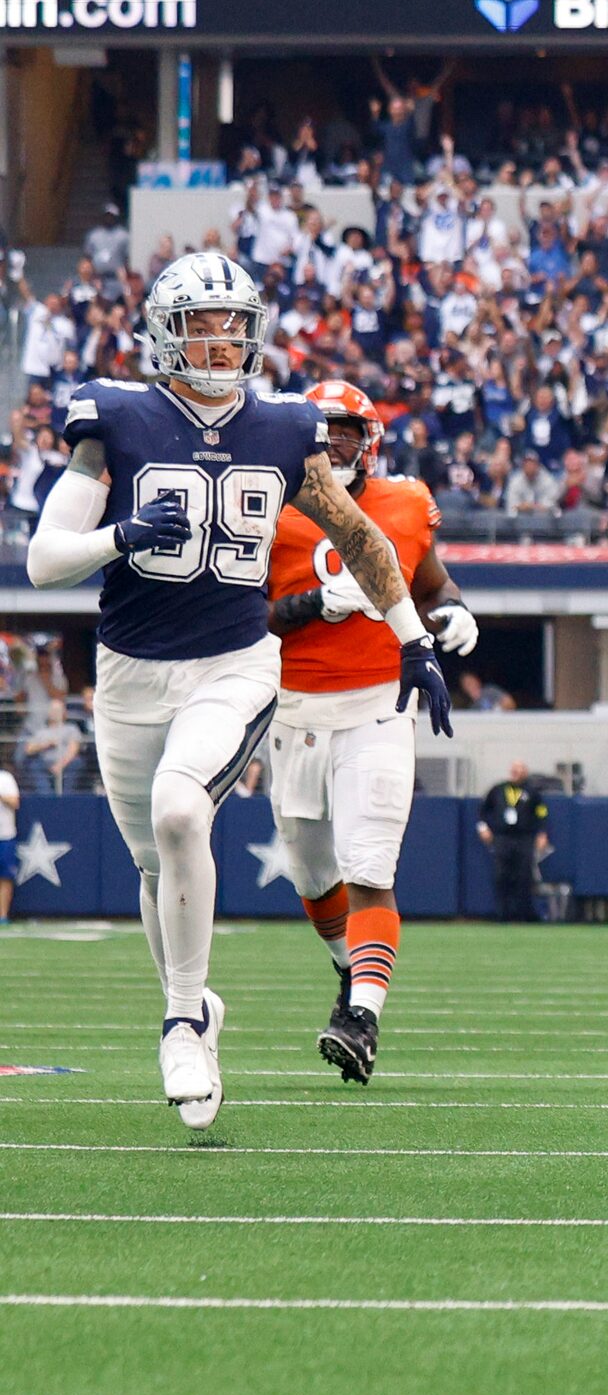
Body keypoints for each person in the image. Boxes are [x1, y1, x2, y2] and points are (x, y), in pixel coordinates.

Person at [23, 252, 451, 1133]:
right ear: (164, 333)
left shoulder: (285, 428)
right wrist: (123, 534)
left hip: (237, 660)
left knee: (184, 814)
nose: (220, 341)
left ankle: (181, 1018)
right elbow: (43, 558)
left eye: (233, 323)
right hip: (131, 667)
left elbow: (363, 537)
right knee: (152, 859)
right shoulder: (118, 417)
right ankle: (199, 1008)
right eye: (202, 324)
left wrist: (414, 639)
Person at [263, 380, 478, 1083]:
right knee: (311, 873)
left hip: (382, 703)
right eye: (323, 431)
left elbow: (431, 582)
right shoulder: (270, 504)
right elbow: (244, 619)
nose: (334, 444)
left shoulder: (407, 503)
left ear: (370, 438)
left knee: (369, 867)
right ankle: (349, 972)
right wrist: (311, 605)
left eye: (347, 431)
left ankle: (361, 1016)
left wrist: (454, 610)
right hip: (293, 708)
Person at [476, 762, 550, 923]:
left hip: (524, 839)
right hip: (503, 838)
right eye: (514, 770)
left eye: (520, 770)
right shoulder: (498, 789)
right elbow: (482, 810)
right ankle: (502, 914)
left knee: (524, 876)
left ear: (525, 773)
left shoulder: (532, 792)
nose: (516, 773)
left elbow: (542, 814)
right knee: (501, 875)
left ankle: (523, 914)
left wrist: (542, 834)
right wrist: (483, 828)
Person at [0, 761, 17, 922]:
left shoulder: (5, 778)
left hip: (5, 836)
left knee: (5, 876)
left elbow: (15, 802)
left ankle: (3, 915)